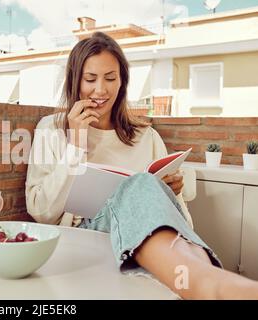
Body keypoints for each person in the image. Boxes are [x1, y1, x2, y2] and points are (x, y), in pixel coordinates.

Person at [25, 32, 258, 300]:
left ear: (122, 82)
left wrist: (172, 194)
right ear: (75, 82)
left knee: (145, 184)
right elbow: (41, 213)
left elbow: (182, 223)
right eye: (90, 79)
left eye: (110, 78)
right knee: (139, 184)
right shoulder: (51, 130)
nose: (100, 90)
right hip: (88, 235)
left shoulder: (146, 137)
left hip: (148, 239)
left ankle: (208, 280)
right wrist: (75, 145)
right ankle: (212, 284)